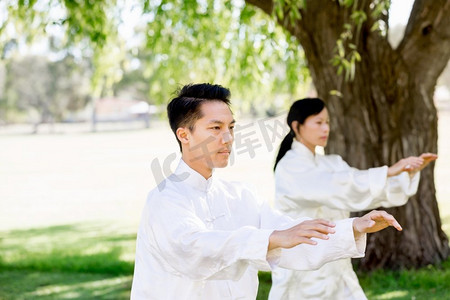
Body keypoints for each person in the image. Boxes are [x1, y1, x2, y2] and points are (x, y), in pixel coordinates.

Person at [130, 84, 404, 299]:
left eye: (231, 128)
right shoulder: (165, 200)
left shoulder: (239, 196)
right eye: (215, 128)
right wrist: (270, 238)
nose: (227, 138)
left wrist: (353, 227)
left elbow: (291, 235)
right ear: (184, 135)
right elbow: (196, 250)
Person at [269, 98, 437, 300]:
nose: (326, 129)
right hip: (305, 266)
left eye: (328, 122)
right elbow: (339, 187)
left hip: (337, 264)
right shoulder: (290, 168)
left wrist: (406, 174)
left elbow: (362, 191)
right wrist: (390, 171)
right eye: (319, 122)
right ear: (296, 126)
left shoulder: (332, 163)